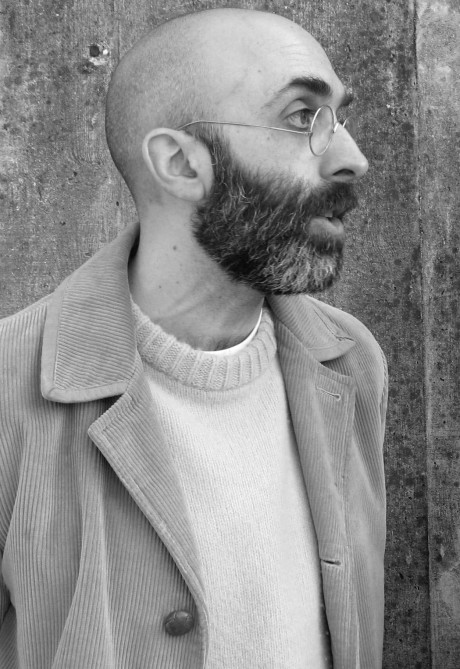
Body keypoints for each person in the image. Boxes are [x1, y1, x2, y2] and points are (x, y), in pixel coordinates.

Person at [0, 8, 388, 669]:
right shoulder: (12, 384)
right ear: (180, 163)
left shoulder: (352, 361)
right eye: (302, 117)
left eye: (339, 118)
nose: (353, 158)